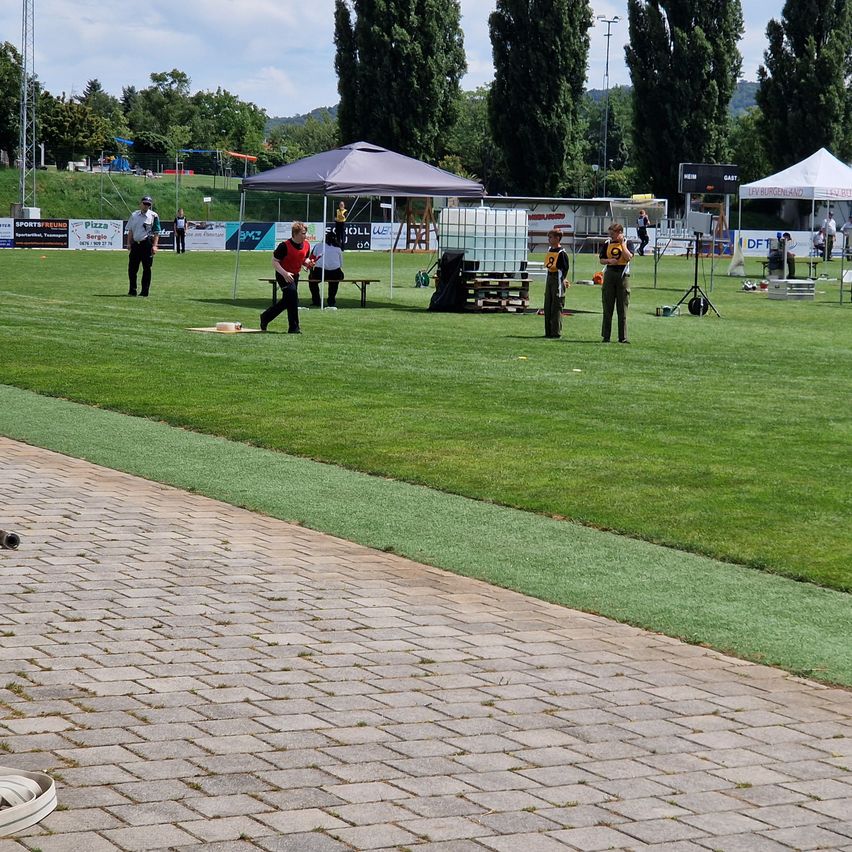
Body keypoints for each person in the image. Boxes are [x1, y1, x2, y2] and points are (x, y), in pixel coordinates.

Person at [260, 222, 314, 333]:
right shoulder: (284, 246)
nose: (305, 235)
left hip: (295, 275)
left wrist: (309, 263)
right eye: (303, 233)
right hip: (282, 274)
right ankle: (294, 328)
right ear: (295, 233)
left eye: (305, 233)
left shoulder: (307, 245)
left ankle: (266, 317)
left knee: (288, 300)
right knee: (293, 297)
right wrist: (285, 274)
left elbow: (303, 259)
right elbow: (274, 262)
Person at [599, 222, 633, 344]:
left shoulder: (628, 242)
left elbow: (628, 257)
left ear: (619, 233)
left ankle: (622, 337)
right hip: (610, 274)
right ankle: (606, 336)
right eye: (610, 234)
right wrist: (609, 261)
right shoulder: (607, 243)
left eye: (613, 234)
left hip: (622, 275)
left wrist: (622, 243)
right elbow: (601, 260)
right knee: (607, 306)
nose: (611, 236)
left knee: (622, 307)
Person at [125, 195, 161, 297]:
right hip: (136, 244)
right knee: (132, 269)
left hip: (147, 244)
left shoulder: (154, 216)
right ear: (140, 204)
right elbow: (130, 230)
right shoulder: (134, 215)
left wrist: (155, 245)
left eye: (148, 204)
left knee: (147, 268)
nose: (146, 206)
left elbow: (157, 232)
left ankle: (145, 291)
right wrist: (129, 243)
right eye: (145, 203)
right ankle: (132, 290)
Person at [543, 228, 570, 338]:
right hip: (549, 278)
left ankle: (555, 332)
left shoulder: (562, 252)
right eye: (548, 237)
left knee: (556, 305)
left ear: (557, 238)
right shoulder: (550, 250)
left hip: (557, 279)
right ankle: (548, 332)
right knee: (548, 305)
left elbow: (565, 268)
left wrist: (563, 279)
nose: (549, 239)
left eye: (551, 237)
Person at [308, 231, 345, 308]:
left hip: (320, 272)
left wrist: (311, 272)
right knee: (334, 283)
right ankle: (331, 301)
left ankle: (316, 301)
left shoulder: (318, 246)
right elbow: (341, 264)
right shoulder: (338, 249)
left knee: (312, 281)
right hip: (335, 273)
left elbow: (311, 259)